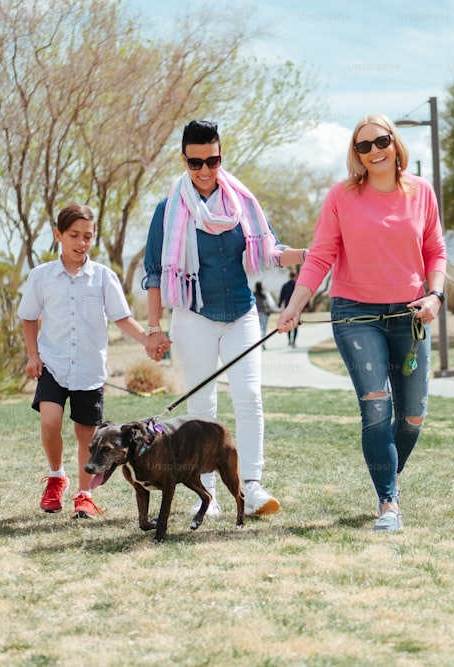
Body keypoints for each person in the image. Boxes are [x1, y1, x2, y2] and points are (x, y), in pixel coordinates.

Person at [276, 114, 447, 532]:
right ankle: (388, 502)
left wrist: (436, 295)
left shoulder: (421, 192)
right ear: (356, 154)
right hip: (355, 315)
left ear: (395, 143)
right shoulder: (342, 197)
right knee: (376, 407)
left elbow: (436, 251)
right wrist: (296, 304)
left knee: (412, 417)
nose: (374, 151)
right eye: (363, 146)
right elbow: (319, 257)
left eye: (381, 141)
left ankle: (385, 473)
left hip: (408, 314)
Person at [143, 120, 305, 518]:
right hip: (192, 316)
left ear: (221, 156)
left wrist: (316, 253)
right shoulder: (168, 210)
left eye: (212, 160)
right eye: (195, 162)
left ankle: (251, 487)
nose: (204, 170)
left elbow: (271, 249)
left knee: (249, 398)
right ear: (183, 159)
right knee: (202, 408)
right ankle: (210, 493)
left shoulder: (242, 203)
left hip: (241, 313)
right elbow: (154, 273)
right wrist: (153, 326)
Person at [19, 204, 169, 519]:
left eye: (88, 236)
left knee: (87, 437)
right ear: (58, 235)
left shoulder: (103, 277)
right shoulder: (41, 277)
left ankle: (84, 495)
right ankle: (56, 476)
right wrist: (32, 355)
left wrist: (147, 340)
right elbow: (29, 318)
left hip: (88, 369)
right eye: (74, 235)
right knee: (50, 421)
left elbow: (123, 319)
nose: (82, 242)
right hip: (53, 365)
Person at [278, 270, 299, 348]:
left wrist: (279, 306)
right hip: (296, 308)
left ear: (289, 276)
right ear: (295, 277)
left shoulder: (285, 285)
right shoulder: (297, 285)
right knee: (295, 324)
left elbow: (281, 297)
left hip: (288, 308)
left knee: (288, 324)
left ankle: (290, 340)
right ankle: (294, 341)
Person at [253, 281, 278, 348]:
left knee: (257, 328)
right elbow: (270, 304)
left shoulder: (253, 295)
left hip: (256, 313)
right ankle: (262, 342)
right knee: (263, 328)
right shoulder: (264, 294)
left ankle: (258, 342)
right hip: (264, 313)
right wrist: (277, 310)